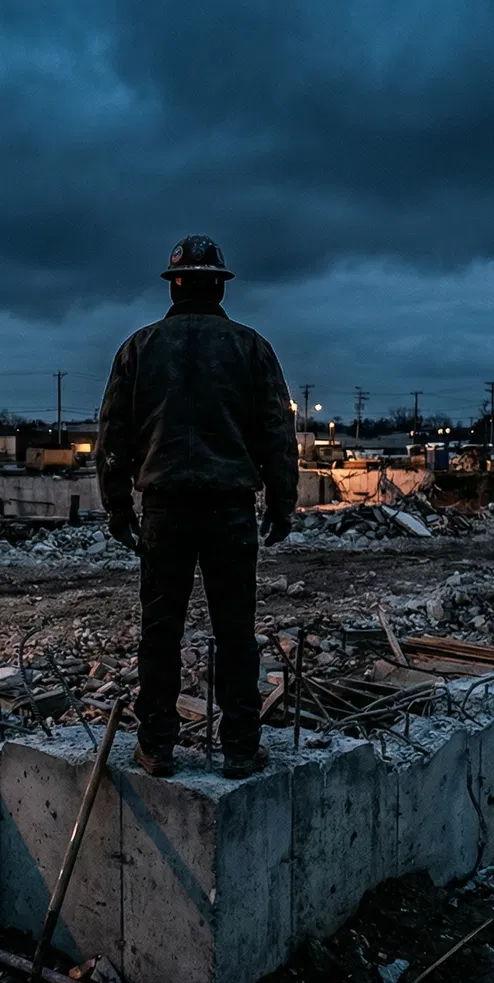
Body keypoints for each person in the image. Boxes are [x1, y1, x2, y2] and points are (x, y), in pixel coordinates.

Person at [97, 235, 299, 779]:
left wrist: (118, 507)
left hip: (164, 508)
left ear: (174, 285)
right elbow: (276, 432)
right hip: (229, 510)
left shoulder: (139, 348)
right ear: (220, 286)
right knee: (235, 631)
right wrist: (282, 503)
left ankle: (156, 746)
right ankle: (240, 748)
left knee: (160, 631)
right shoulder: (251, 348)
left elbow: (113, 436)